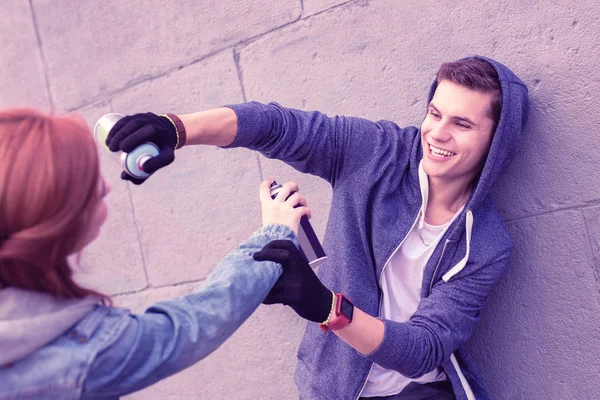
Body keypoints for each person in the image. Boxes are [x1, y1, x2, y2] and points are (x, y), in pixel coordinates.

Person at [106, 56, 530, 400]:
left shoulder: (487, 244)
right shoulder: (377, 152)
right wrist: (176, 129)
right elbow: (275, 126)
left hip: (421, 392)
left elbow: (424, 349)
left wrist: (326, 306)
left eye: (462, 124)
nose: (437, 133)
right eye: (435, 113)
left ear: (497, 142)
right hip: (332, 387)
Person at [0, 108, 312, 399]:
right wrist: (276, 233)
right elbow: (194, 325)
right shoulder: (81, 354)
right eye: (89, 186)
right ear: (53, 223)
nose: (107, 188)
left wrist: (171, 128)